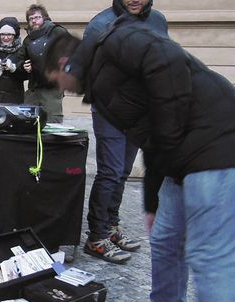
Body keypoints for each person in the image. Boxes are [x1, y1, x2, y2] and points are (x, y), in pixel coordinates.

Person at [43, 18, 235, 302]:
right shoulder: (103, 88)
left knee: (209, 259)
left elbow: (167, 64)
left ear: (63, 66)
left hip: (224, 149)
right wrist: (151, 202)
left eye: (56, 82)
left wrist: (169, 142)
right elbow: (150, 138)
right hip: (184, 161)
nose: (61, 90)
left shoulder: (118, 39)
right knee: (166, 241)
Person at [81, 0, 169, 264]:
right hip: (110, 110)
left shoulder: (158, 21)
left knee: (123, 171)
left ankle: (111, 227)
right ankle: (96, 237)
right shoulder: (100, 23)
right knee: (110, 171)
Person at [21, 4, 67, 123]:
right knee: (25, 121)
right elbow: (21, 58)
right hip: (34, 87)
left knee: (52, 123)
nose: (34, 21)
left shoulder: (57, 32)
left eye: (37, 17)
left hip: (52, 88)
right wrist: (24, 66)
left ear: (45, 18)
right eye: (31, 19)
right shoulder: (28, 39)